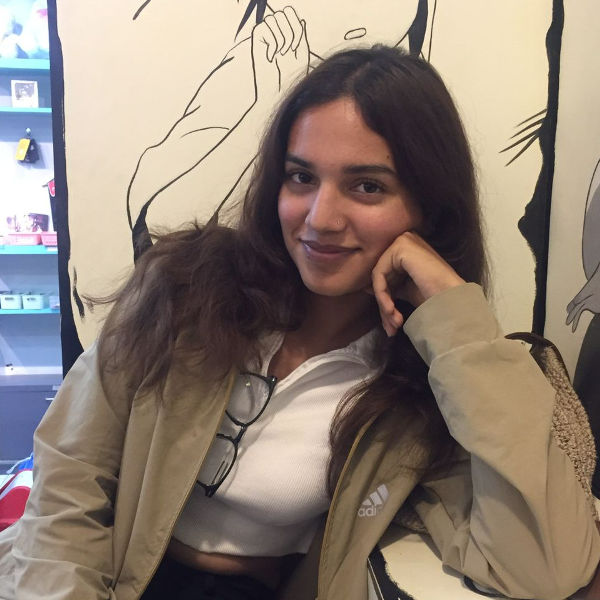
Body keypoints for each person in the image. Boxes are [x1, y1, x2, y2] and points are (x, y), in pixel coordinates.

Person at [0, 44, 598, 600]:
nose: (320, 218)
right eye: (302, 177)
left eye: (368, 186)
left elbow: (545, 566)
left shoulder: (421, 389)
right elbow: (69, 480)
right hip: (92, 576)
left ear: (430, 210)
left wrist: (453, 309)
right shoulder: (184, 288)